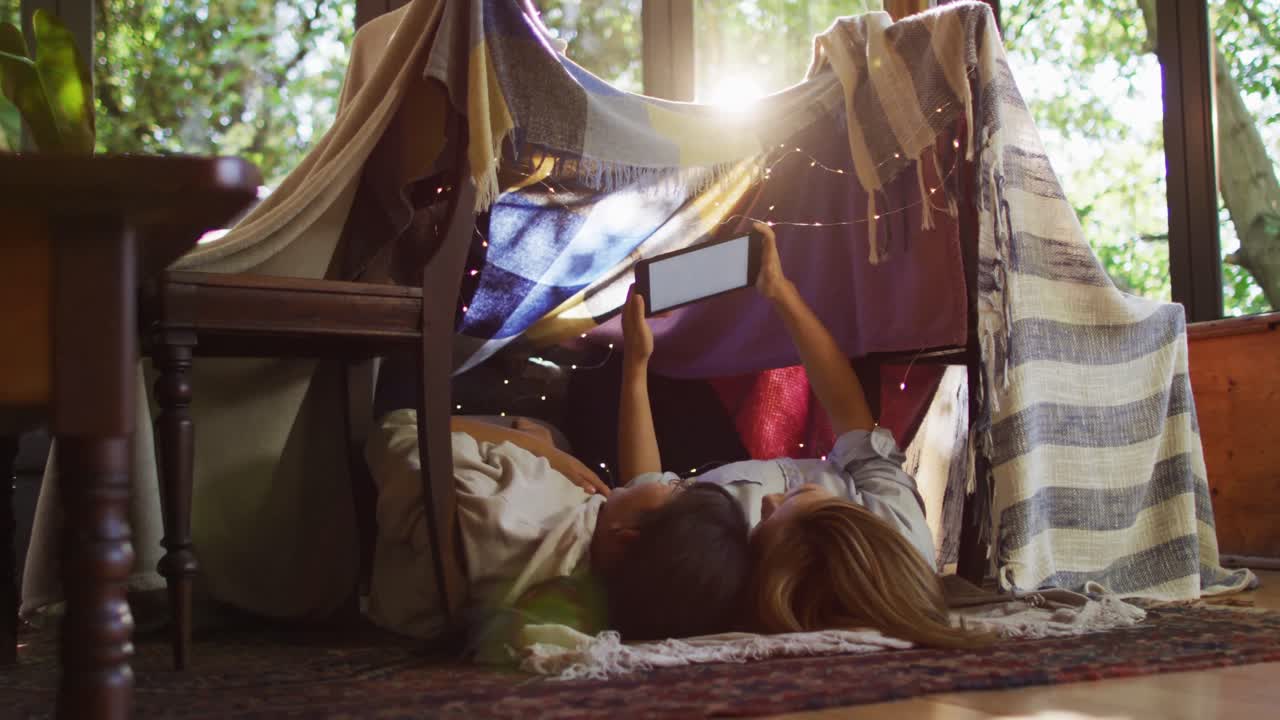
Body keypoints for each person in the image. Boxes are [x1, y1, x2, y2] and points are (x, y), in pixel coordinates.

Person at [614, 221, 987, 649]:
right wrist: (779, 290)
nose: (767, 502)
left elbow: (641, 492)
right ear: (850, 518)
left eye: (766, 523)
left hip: (689, 479)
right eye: (790, 501)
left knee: (623, 377)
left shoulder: (729, 569)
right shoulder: (899, 527)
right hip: (735, 456)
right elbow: (851, 417)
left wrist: (636, 366)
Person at [364, 405, 750, 642]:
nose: (667, 477)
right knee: (554, 435)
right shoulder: (597, 600)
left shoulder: (507, 510)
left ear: (626, 536)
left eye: (677, 488)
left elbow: (399, 428)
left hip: (373, 519)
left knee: (537, 421)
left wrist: (536, 448)